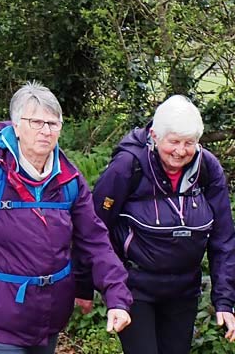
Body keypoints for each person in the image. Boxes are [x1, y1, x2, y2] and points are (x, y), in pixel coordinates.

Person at [0, 82, 132, 353]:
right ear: (16, 126)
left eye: (53, 124)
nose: (46, 131)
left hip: (50, 313)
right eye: (37, 122)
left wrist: (116, 296)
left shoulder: (69, 179)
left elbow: (95, 240)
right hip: (0, 311)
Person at [91, 95, 235, 354]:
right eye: (174, 142)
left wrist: (224, 300)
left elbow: (223, 238)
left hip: (184, 290)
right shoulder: (128, 165)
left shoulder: (207, 168)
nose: (181, 151)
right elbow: (95, 227)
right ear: (155, 135)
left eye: (189, 143)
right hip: (135, 288)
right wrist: (87, 284)